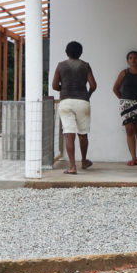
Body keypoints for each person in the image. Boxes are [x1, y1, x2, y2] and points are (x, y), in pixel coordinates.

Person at [52, 40, 97, 174]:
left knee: (69, 135)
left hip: (66, 101)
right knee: (83, 134)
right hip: (82, 101)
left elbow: (54, 86)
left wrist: (63, 88)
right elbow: (93, 85)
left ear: (67, 53)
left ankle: (72, 167)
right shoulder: (85, 65)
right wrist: (87, 95)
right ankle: (83, 161)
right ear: (81, 53)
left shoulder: (60, 66)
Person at [112, 50, 137, 165]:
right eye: (130, 58)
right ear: (128, 61)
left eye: (135, 58)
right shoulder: (124, 73)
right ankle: (133, 158)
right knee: (129, 131)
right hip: (126, 105)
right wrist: (123, 100)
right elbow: (115, 89)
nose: (133, 60)